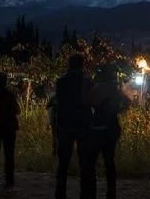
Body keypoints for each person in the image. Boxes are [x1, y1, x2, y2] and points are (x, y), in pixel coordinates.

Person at [84, 65, 130, 199]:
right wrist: (117, 110)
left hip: (97, 127)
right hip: (111, 128)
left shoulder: (97, 87)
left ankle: (91, 192)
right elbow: (126, 102)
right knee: (109, 161)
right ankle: (111, 192)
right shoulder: (115, 90)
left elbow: (87, 102)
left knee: (91, 162)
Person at [54, 53, 94, 199]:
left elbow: (58, 104)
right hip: (83, 124)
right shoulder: (87, 81)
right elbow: (91, 101)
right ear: (82, 65)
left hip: (65, 124)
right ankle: (85, 194)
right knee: (85, 163)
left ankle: (60, 193)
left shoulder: (61, 81)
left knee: (63, 163)